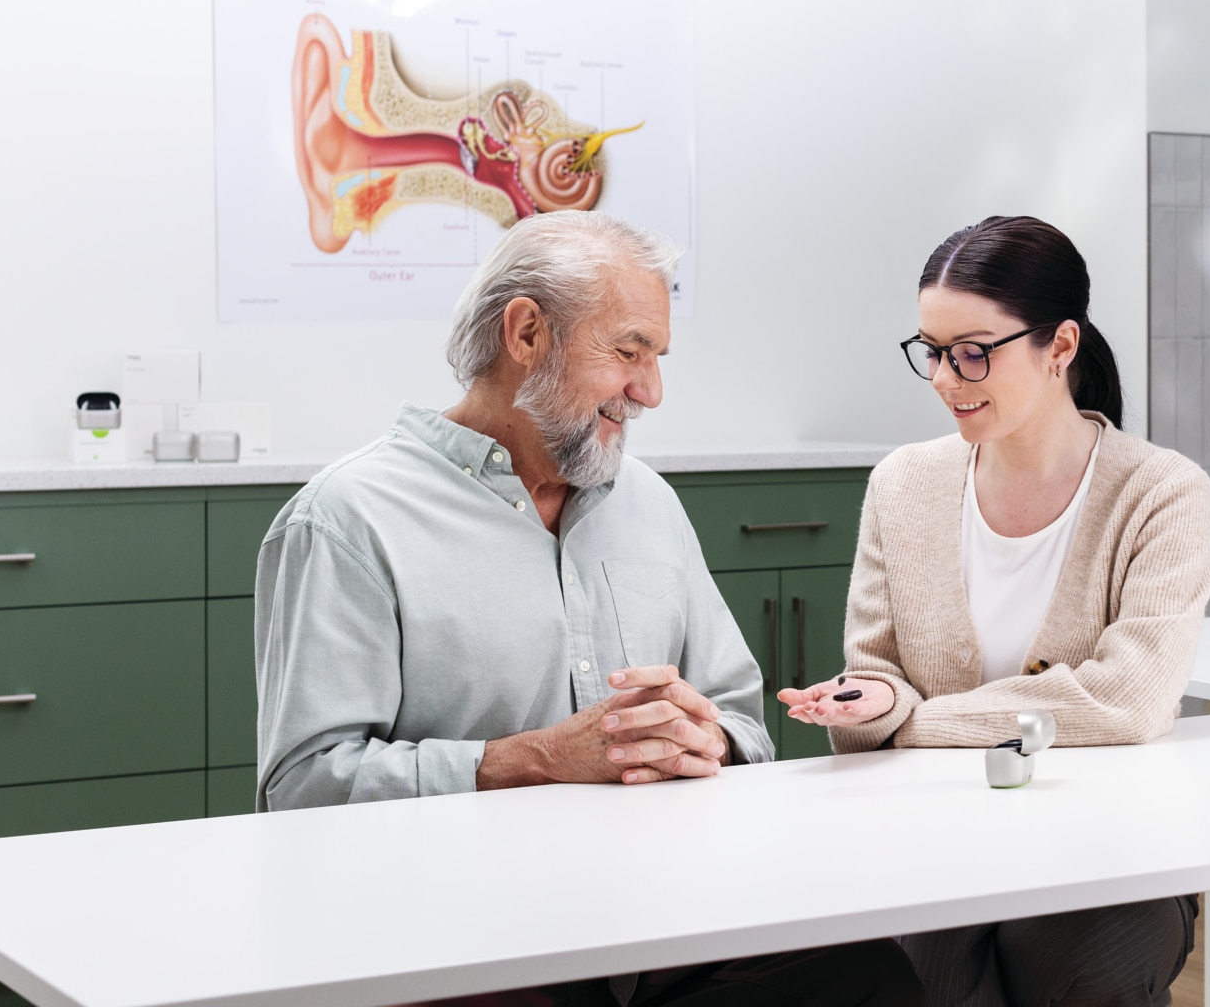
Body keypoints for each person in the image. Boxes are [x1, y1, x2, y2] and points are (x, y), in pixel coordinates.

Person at [255, 211, 920, 1007]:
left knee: (872, 973)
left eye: (657, 357)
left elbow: (742, 717)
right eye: (629, 350)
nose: (651, 390)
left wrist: (705, 737)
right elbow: (302, 789)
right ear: (527, 333)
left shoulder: (649, 503)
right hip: (464, 942)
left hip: (661, 930)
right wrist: (529, 760)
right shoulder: (345, 520)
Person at [780, 216, 1210, 1007]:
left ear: (1060, 346)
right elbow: (875, 682)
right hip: (929, 838)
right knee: (897, 968)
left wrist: (912, 722)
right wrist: (869, 701)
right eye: (932, 352)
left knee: (1083, 967)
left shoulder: (1163, 493)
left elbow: (1129, 701)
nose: (948, 378)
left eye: (974, 351)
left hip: (1109, 845)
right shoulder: (903, 484)